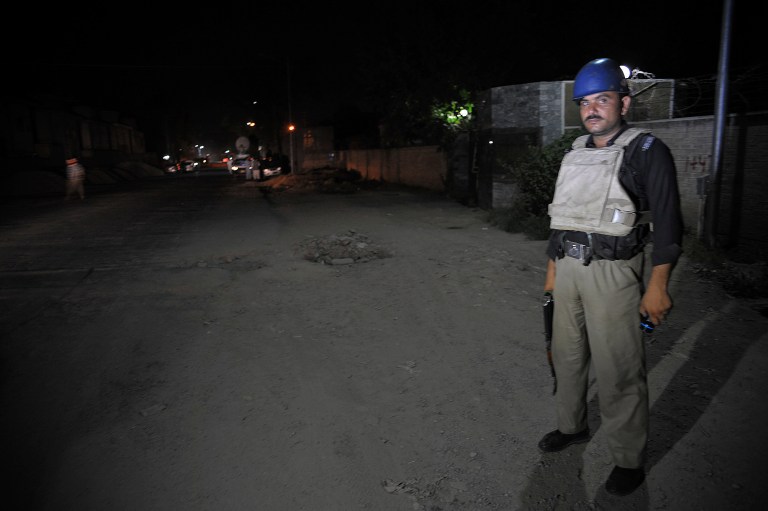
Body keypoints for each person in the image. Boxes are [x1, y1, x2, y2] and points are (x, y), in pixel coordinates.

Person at [538, 58, 683, 496]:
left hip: (613, 274)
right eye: (584, 102)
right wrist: (551, 274)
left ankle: (628, 460)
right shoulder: (575, 150)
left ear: (623, 103)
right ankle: (572, 426)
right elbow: (562, 220)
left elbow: (669, 224)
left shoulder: (646, 150)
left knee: (618, 369)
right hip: (567, 269)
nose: (592, 110)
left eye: (602, 99)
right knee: (566, 358)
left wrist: (658, 286)